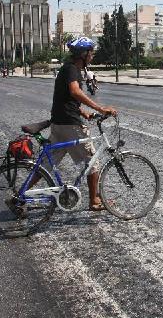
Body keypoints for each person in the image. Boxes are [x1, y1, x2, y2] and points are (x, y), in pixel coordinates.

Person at [50, 37, 117, 211]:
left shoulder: (68, 68)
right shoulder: (72, 70)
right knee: (92, 162)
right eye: (91, 52)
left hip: (59, 122)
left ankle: (20, 195)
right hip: (70, 125)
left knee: (47, 163)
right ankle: (95, 201)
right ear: (83, 54)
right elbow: (74, 91)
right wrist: (100, 108)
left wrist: (83, 112)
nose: (92, 56)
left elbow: (66, 98)